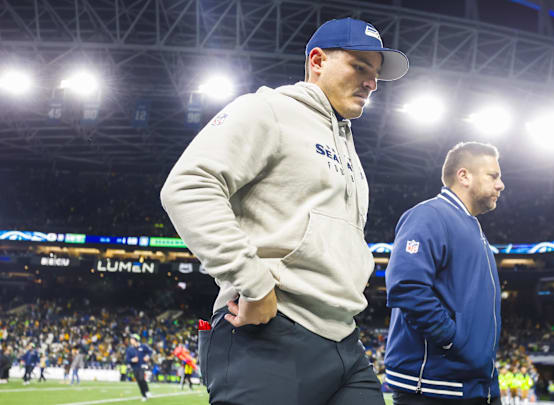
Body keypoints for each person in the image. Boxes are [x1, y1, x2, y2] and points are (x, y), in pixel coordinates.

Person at [160, 17, 408, 405]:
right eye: (360, 66)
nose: (371, 83)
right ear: (317, 61)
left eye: (375, 74)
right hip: (272, 335)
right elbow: (189, 186)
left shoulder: (347, 144)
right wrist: (254, 283)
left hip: (345, 340)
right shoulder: (268, 109)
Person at [384, 142, 505, 404]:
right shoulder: (430, 215)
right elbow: (406, 286)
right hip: (436, 386)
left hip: (475, 385)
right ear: (464, 176)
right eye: (493, 176)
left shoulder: (474, 228)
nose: (501, 185)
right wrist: (453, 341)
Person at [126, 334, 153, 401]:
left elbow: (150, 352)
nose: (131, 340)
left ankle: (147, 391)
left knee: (141, 378)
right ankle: (144, 395)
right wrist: (132, 360)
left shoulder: (143, 346)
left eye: (132, 339)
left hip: (142, 365)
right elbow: (127, 359)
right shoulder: (129, 349)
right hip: (135, 367)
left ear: (136, 340)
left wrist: (147, 357)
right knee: (138, 381)